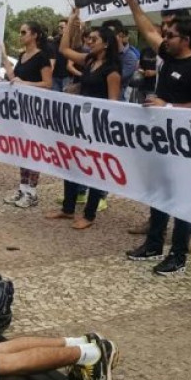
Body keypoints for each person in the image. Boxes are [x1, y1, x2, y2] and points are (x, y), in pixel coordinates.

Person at [122, 0, 191, 276]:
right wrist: (132, 1)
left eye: (171, 35)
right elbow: (147, 29)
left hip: (184, 146)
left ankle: (178, 255)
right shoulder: (168, 55)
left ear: (185, 40)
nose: (165, 37)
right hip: (160, 141)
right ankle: (153, 244)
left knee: (180, 198)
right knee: (158, 193)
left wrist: (169, 106)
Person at [45, 15, 120, 229]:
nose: (89, 41)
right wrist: (71, 23)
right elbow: (64, 50)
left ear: (106, 44)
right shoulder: (89, 61)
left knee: (95, 168)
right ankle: (68, 208)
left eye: (94, 39)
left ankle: (89, 214)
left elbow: (113, 103)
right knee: (71, 162)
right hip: (79, 122)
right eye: (89, 38)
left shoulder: (112, 71)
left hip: (97, 126)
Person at [1, 21, 53, 209]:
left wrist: (26, 84)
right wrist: (3, 55)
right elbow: (14, 78)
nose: (20, 35)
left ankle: (32, 192)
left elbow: (47, 84)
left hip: (36, 111)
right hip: (21, 110)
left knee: (34, 151)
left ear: (35, 35)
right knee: (22, 150)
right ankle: (23, 189)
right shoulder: (22, 56)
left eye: (24, 32)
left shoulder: (42, 57)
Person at [100, 19, 138, 101]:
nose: (108, 38)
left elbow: (117, 78)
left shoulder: (130, 57)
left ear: (120, 35)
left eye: (111, 34)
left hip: (117, 101)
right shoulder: (101, 53)